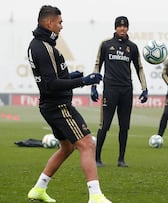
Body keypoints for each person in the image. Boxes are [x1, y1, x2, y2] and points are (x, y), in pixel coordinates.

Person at [27, 5, 111, 203]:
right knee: (87, 144)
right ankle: (96, 196)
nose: (61, 26)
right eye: (59, 22)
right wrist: (83, 81)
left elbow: (53, 78)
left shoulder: (40, 44)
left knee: (67, 147)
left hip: (50, 105)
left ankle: (38, 189)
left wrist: (71, 76)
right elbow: (50, 84)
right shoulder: (43, 47)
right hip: (58, 106)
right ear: (49, 23)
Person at [91, 16, 148, 167]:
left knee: (124, 126)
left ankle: (121, 159)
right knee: (105, 125)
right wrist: (94, 85)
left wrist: (144, 88)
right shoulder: (106, 45)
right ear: (115, 28)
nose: (122, 28)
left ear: (128, 28)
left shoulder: (132, 47)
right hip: (110, 90)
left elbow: (139, 68)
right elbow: (98, 64)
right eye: (119, 26)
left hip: (126, 90)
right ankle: (97, 158)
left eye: (125, 26)